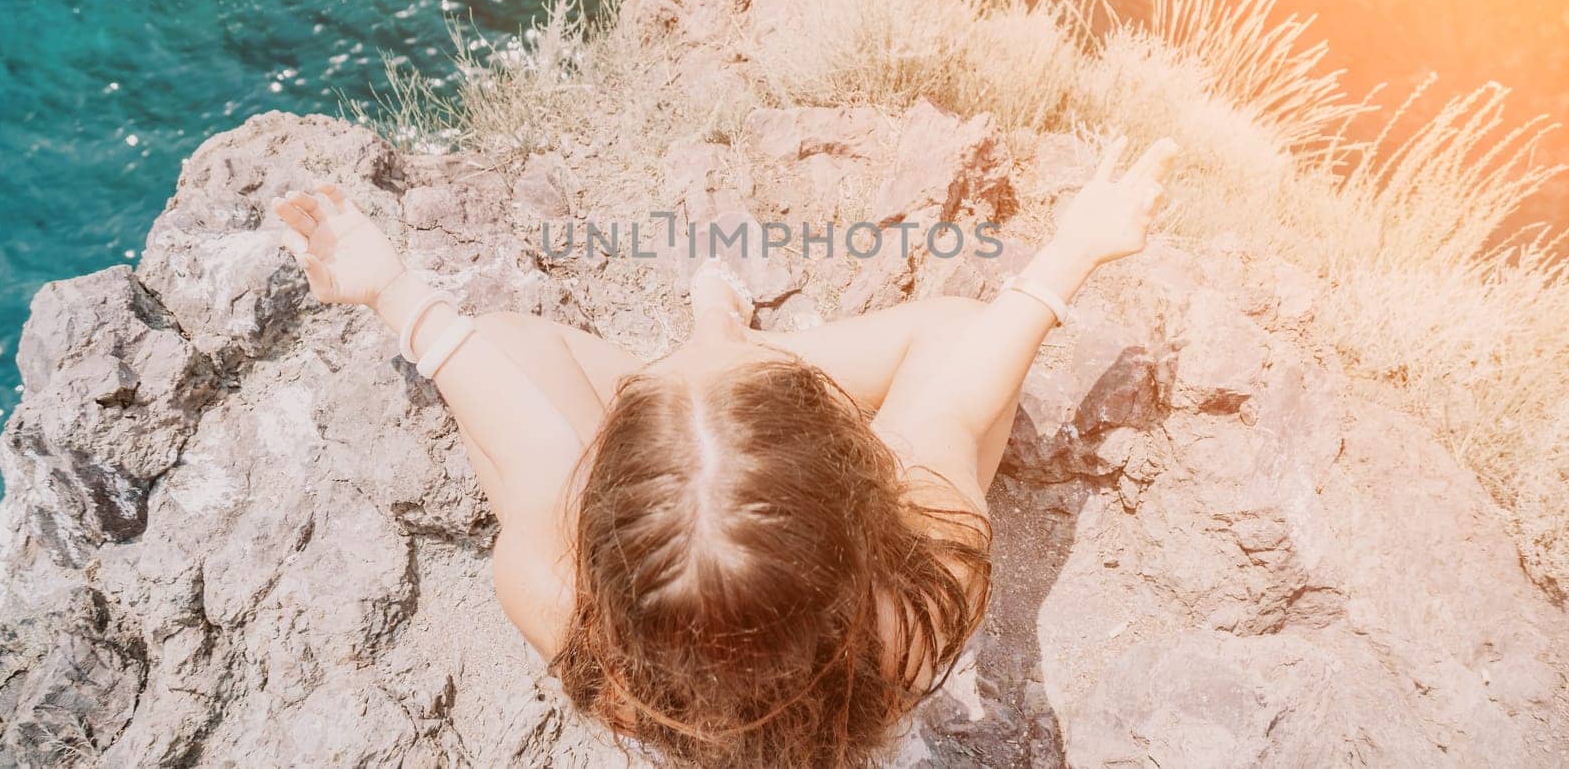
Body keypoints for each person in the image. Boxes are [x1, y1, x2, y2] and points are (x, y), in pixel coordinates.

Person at [271, 133, 1177, 767]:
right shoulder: (916, 601)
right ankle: (723, 347)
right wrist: (1075, 248)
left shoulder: (560, 602)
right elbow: (956, 396)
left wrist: (393, 291)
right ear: (859, 483)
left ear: (602, 512)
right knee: (955, 334)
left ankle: (705, 349)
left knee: (507, 344)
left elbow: (531, 437)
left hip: (675, 552)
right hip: (842, 576)